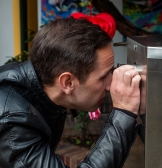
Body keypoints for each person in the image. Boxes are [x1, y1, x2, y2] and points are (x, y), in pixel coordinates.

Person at [0, 17, 141, 168]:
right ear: (67, 83)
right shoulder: (12, 121)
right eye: (103, 77)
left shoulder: (43, 87)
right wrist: (123, 112)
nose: (110, 84)